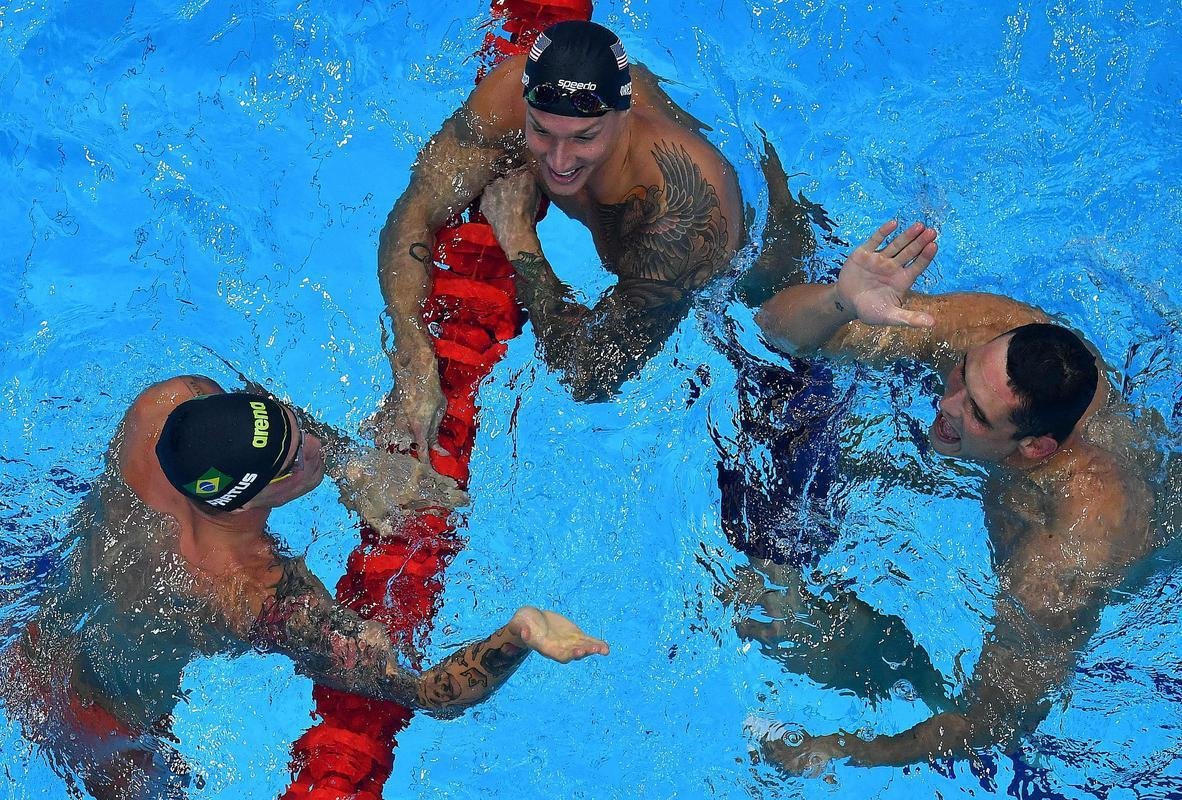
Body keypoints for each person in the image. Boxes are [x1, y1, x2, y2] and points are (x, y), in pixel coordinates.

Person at [0, 375, 608, 799]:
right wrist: (520, 635)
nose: (315, 449)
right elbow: (425, 695)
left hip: (32, 631)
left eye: (295, 429)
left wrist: (352, 465)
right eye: (297, 462)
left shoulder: (167, 410)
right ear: (246, 501)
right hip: (98, 720)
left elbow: (255, 412)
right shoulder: (253, 592)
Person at [750, 219, 1161, 774]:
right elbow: (771, 327)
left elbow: (991, 721)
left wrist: (847, 749)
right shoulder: (991, 334)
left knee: (841, 644)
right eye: (960, 378)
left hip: (1144, 560)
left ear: (1036, 449)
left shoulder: (1061, 552)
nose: (946, 405)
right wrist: (840, 302)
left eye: (976, 413)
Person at [373, 19, 745, 474]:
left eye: (584, 138)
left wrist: (520, 239)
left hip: (756, 303)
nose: (559, 160)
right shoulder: (509, 93)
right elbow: (414, 210)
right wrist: (411, 349)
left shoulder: (683, 208)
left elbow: (590, 375)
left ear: (623, 114)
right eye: (542, 131)